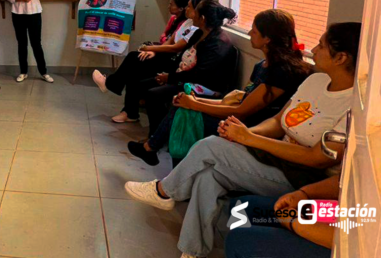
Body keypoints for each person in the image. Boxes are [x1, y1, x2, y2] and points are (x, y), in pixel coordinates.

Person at [123, 22, 360, 258]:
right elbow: (279, 121)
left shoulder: (355, 105)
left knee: (210, 146)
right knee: (208, 176)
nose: (314, 50)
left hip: (305, 178)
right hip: (273, 158)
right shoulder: (316, 81)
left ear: (341, 58)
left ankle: (165, 191)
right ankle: (194, 256)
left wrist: (250, 139)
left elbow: (318, 159)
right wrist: (245, 133)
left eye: (322, 45)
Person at [128, 9, 312, 166]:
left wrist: (195, 104)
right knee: (182, 106)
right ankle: (154, 152)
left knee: (184, 114)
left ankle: (154, 152)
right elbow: (240, 100)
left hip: (250, 127)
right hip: (237, 115)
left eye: (254, 31)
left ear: (267, 39)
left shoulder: (283, 72)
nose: (249, 33)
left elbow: (242, 112)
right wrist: (194, 100)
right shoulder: (262, 65)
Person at [195, 175, 339, 258]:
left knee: (239, 243)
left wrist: (294, 222)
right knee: (243, 209)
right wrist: (304, 194)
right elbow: (344, 179)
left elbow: (344, 241)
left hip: (346, 257)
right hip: (340, 214)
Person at [93, 0, 207, 123]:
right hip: (165, 56)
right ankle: (128, 111)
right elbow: (170, 40)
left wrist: (150, 48)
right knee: (134, 67)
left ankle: (113, 87)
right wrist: (154, 51)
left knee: (133, 60)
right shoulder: (187, 22)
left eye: (189, 7)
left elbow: (176, 47)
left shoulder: (195, 29)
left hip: (172, 62)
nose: (186, 8)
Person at [143, 0, 238, 136]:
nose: (192, 15)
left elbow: (200, 74)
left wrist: (170, 78)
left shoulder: (217, 43)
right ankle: (163, 131)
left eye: (195, 12)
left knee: (154, 95)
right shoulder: (199, 33)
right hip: (186, 77)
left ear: (202, 18)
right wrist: (169, 75)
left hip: (205, 85)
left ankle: (155, 137)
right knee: (144, 84)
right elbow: (182, 56)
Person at [4, 0, 53, 83]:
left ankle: (44, 72)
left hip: (34, 13)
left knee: (36, 44)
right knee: (22, 44)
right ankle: (23, 72)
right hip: (18, 13)